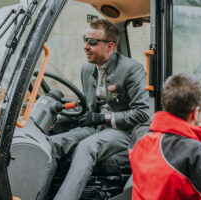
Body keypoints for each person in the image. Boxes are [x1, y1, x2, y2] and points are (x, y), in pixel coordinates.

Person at [48, 19, 149, 200]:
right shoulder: (87, 69)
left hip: (123, 131)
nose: (86, 46)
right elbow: (86, 104)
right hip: (93, 127)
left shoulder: (132, 69)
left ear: (109, 46)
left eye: (92, 42)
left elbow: (141, 114)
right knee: (53, 144)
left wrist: (103, 118)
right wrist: (61, 113)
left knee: (87, 147)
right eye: (85, 40)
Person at [129, 73, 201, 200]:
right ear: (195, 113)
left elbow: (153, 124)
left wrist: (196, 116)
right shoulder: (193, 153)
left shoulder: (140, 138)